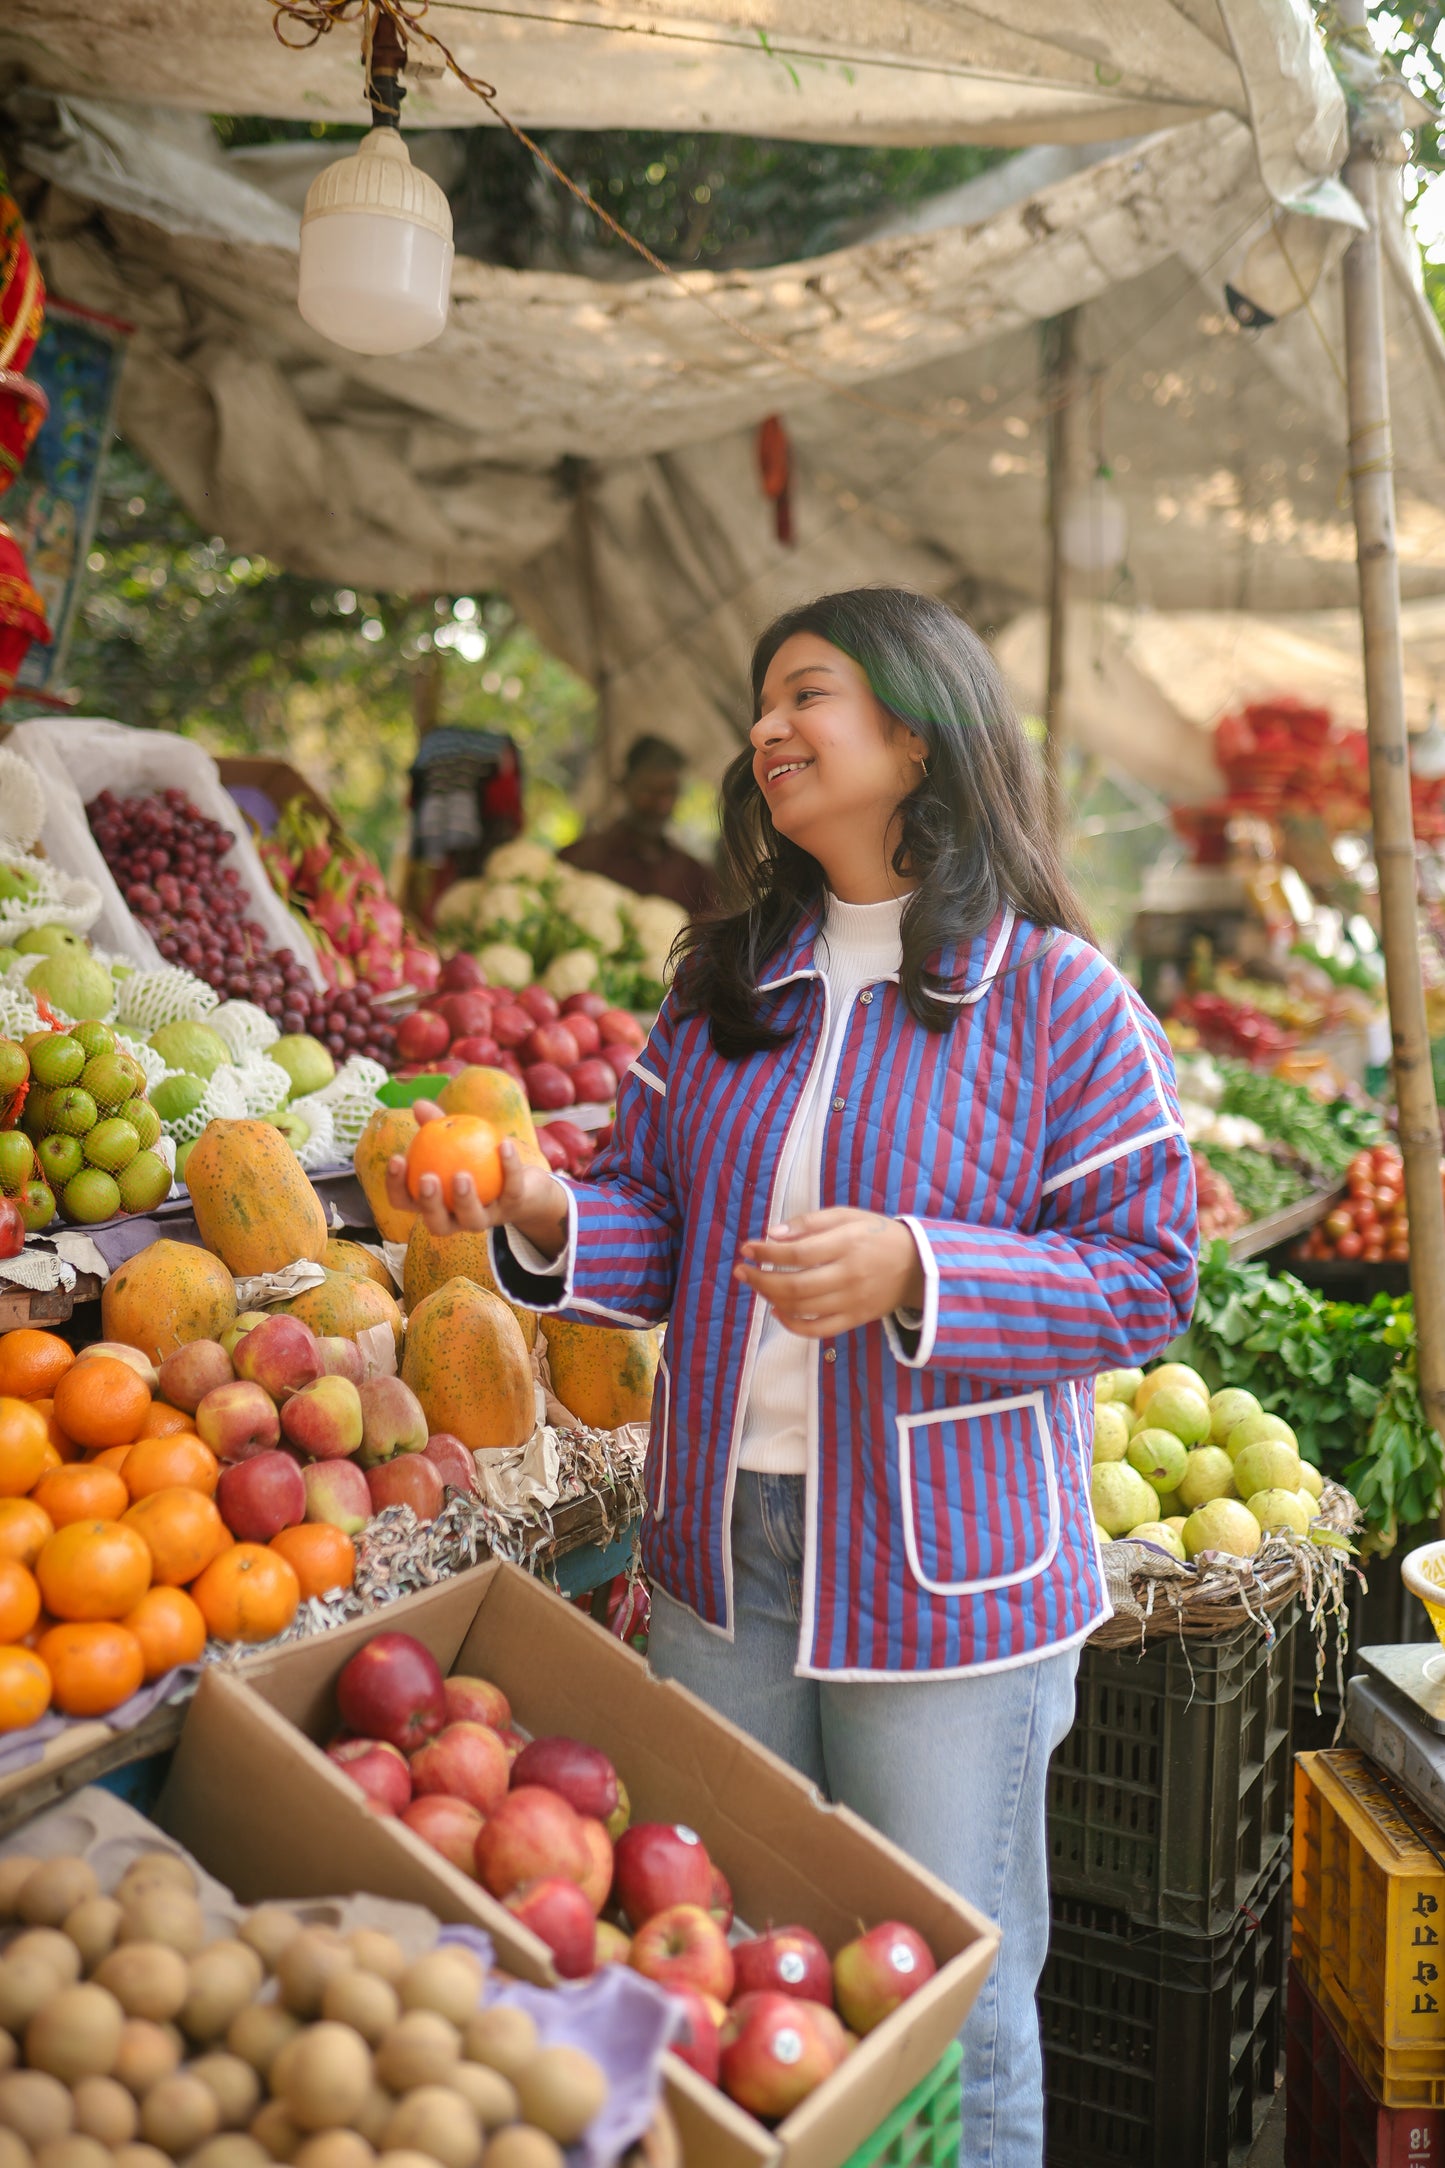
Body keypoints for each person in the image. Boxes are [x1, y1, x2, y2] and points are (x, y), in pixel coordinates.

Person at [389, 586, 1198, 2167]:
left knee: (945, 1995)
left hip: (945, 1588)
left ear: (914, 729)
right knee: (744, 1955)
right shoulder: (722, 988)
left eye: (807, 694)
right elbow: (652, 1224)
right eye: (760, 702)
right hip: (726, 1564)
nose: (768, 727)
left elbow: (1149, 1279)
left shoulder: (1055, 1000)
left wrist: (919, 1269)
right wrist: (543, 1207)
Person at [560, 733, 717, 915]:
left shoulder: (694, 876)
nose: (662, 805)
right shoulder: (581, 858)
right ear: (625, 785)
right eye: (650, 791)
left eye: (670, 792)